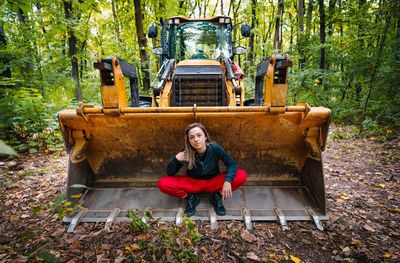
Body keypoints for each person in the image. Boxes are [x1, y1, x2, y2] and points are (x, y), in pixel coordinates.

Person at [158, 123, 248, 217]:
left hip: (213, 182)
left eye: (199, 135)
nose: (196, 139)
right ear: (188, 141)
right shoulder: (186, 152)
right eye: (191, 137)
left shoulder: (215, 148)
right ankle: (191, 198)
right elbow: (170, 173)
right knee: (162, 183)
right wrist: (176, 159)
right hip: (193, 184)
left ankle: (217, 196)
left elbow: (232, 164)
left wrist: (227, 181)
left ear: (205, 136)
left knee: (242, 174)